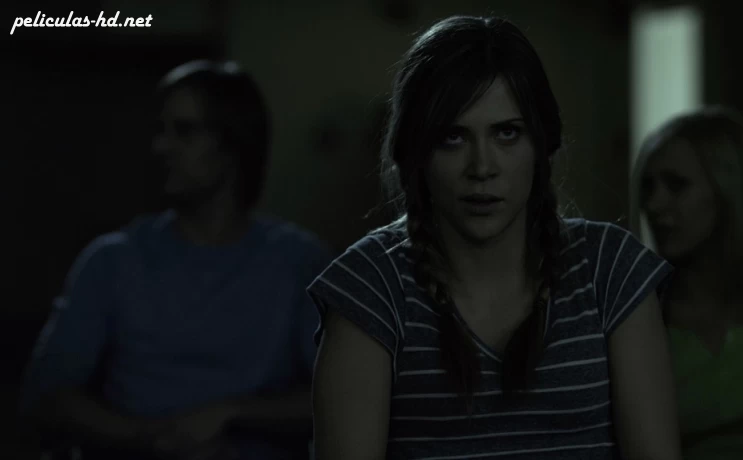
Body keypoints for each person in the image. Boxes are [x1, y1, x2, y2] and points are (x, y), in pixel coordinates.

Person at [307, 15, 681, 460]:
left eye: (507, 133)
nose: (482, 167)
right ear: (417, 153)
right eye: (453, 137)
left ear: (541, 145)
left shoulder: (609, 269)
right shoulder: (371, 286)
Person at [19, 60, 329, 460]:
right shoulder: (113, 260)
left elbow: (340, 394)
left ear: (234, 144)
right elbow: (47, 397)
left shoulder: (298, 260)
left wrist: (233, 413)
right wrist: (150, 438)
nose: (161, 147)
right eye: (161, 130)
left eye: (184, 131)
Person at [631, 106, 743, 460]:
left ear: (729, 190)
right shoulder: (635, 317)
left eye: (676, 185)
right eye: (648, 186)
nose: (653, 204)